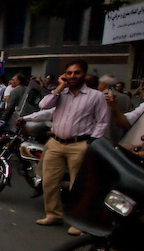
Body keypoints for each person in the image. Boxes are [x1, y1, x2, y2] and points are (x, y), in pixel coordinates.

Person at [35, 60, 107, 234]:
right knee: (50, 182)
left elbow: (102, 121)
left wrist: (92, 142)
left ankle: (78, 221)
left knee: (79, 185)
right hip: (56, 143)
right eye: (69, 73)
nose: (72, 76)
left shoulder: (95, 96)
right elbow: (43, 105)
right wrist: (59, 87)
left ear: (84, 74)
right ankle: (53, 214)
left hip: (79, 144)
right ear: (64, 75)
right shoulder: (60, 94)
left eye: (77, 73)